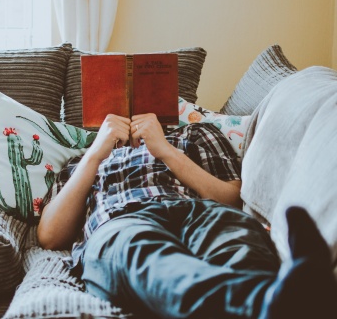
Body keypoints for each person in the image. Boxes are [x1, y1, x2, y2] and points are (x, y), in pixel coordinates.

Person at [38, 113, 337, 319]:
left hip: (200, 213)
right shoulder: (80, 160)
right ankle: (273, 302)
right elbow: (50, 236)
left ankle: (282, 295)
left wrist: (165, 149)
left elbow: (233, 200)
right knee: (143, 254)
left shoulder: (197, 132)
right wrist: (94, 154)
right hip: (121, 221)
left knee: (239, 239)